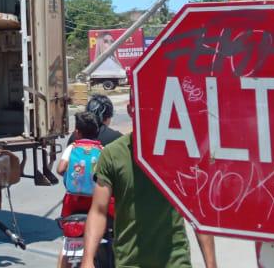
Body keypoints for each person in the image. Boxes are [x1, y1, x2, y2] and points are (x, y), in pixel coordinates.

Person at [81, 99, 216, 268]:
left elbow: (199, 212)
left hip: (175, 261)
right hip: (130, 262)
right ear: (130, 109)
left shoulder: (179, 152)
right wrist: (87, 260)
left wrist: (211, 265)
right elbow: (98, 211)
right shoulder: (113, 154)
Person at [57, 111, 107, 268]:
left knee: (67, 241)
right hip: (95, 202)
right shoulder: (103, 150)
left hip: (73, 201)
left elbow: (60, 169)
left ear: (77, 132)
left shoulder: (72, 147)